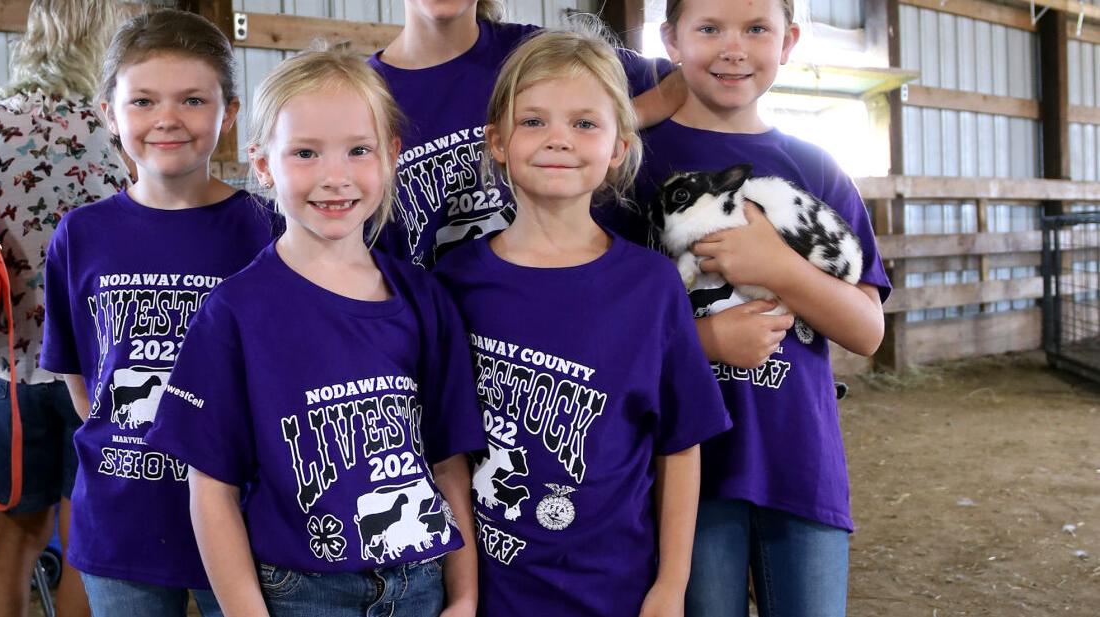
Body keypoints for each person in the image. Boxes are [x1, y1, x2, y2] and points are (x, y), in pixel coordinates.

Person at [144, 46, 486, 617]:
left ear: (392, 156)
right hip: (302, 592)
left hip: (421, 582)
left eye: (359, 150)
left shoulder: (423, 298)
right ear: (262, 164)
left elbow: (449, 463)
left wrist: (465, 594)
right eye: (305, 152)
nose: (335, 177)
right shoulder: (235, 313)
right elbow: (210, 489)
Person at [433, 27, 732, 617]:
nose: (559, 141)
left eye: (585, 124)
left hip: (616, 591)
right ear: (497, 141)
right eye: (534, 121)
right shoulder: (455, 282)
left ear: (619, 145)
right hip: (496, 594)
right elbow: (448, 459)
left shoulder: (650, 287)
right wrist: (462, 591)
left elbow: (680, 445)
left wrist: (671, 587)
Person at [632, 1, 892, 614]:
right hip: (682, 468)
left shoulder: (817, 169)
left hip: (799, 459)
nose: (733, 48)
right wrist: (705, 342)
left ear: (789, 40)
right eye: (709, 29)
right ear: (671, 39)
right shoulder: (632, 164)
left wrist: (777, 267)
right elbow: (604, 324)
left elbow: (867, 330)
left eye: (756, 29)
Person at [39, 9, 274, 616]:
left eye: (193, 99)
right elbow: (79, 376)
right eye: (142, 101)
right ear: (109, 114)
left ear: (229, 112)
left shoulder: (267, 231)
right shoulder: (81, 234)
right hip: (122, 516)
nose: (167, 119)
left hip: (243, 516)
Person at [0, 1, 128, 615]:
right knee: (85, 537)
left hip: (4, 362)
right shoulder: (116, 124)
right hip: (95, 363)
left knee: (15, 536)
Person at [370, 0, 686, 268]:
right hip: (443, 325)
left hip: (570, 306)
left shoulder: (540, 56)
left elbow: (686, 80)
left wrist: (618, 123)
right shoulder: (362, 97)